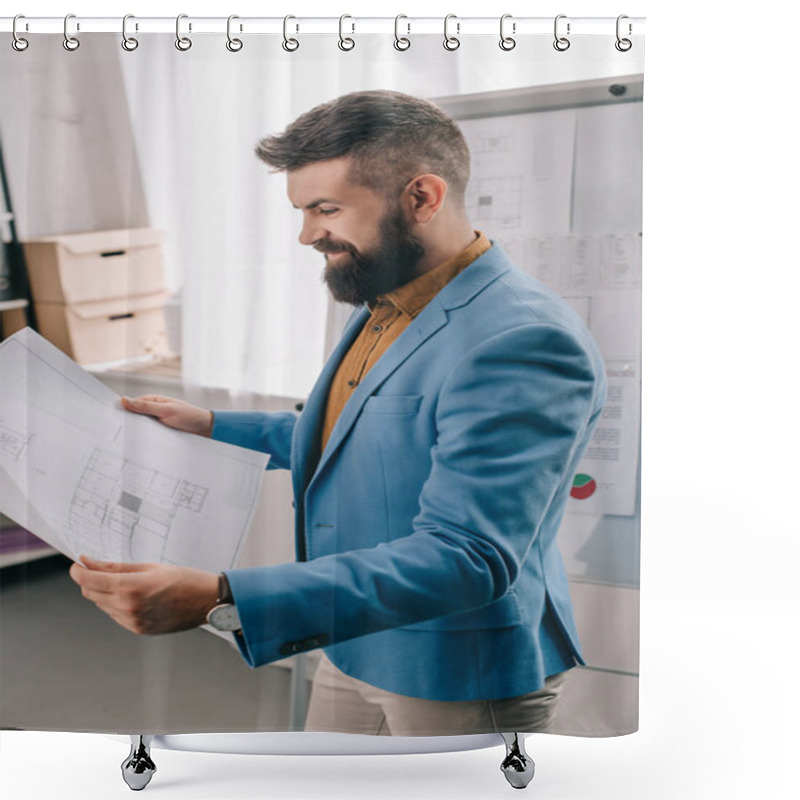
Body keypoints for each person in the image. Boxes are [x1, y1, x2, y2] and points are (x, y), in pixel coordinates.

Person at [70, 90, 607, 736]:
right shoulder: (387, 298)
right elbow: (366, 436)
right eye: (302, 211)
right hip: (351, 639)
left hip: (455, 667)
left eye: (325, 209)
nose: (306, 235)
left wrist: (225, 597)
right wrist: (211, 426)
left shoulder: (520, 340)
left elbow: (467, 556)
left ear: (422, 198)